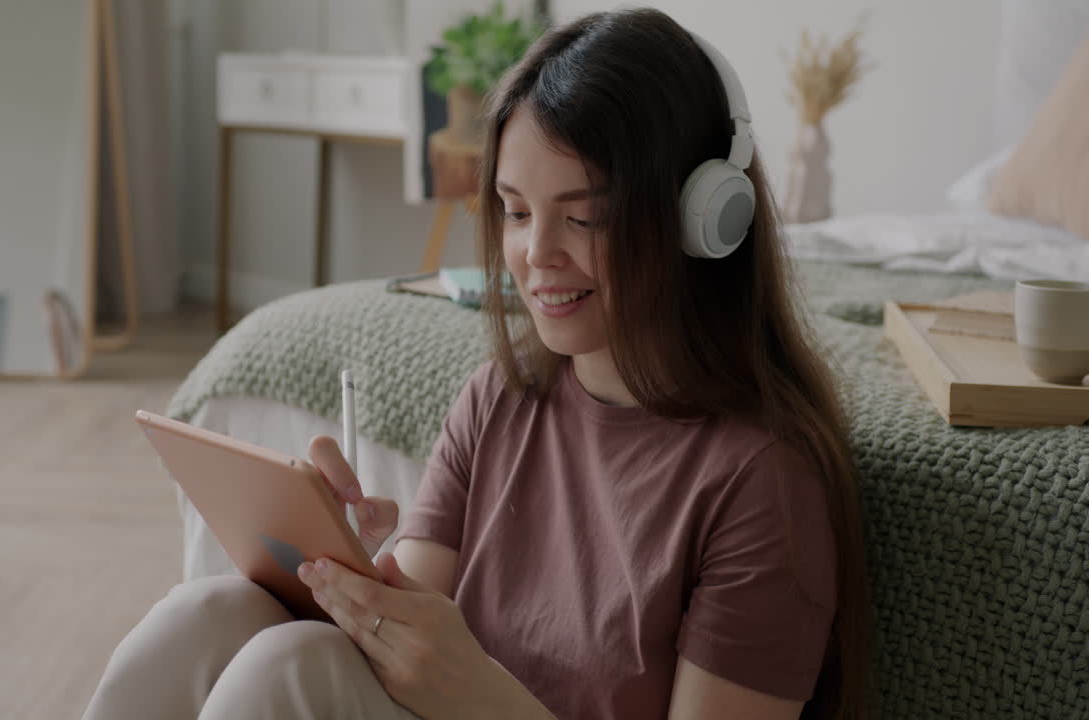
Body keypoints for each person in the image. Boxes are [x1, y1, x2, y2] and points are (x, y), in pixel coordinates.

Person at [81, 7, 871, 720]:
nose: (535, 253)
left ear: (703, 218)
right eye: (516, 211)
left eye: (586, 217)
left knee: (290, 671)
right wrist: (343, 568)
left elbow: (444, 682)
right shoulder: (501, 397)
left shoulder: (762, 484)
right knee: (207, 615)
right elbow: (408, 636)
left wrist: (482, 697)